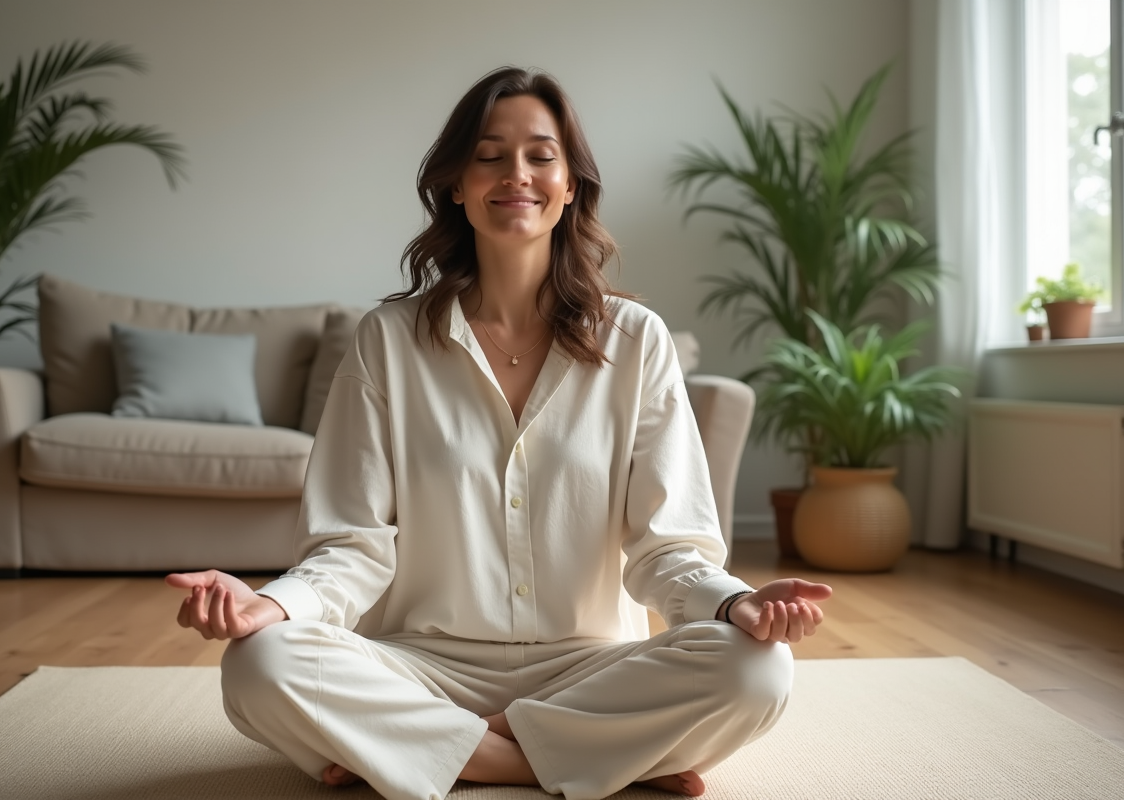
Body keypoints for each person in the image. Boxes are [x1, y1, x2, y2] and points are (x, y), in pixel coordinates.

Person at [166, 66, 832, 800]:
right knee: (259, 665)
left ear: (571, 184)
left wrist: (739, 605)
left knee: (758, 667)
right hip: (417, 664)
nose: (517, 174)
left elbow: (668, 549)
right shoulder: (387, 339)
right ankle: (597, 756)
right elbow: (349, 546)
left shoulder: (637, 340)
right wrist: (273, 607)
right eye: (489, 155)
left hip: (588, 666)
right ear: (456, 183)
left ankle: (416, 751)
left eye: (542, 155)